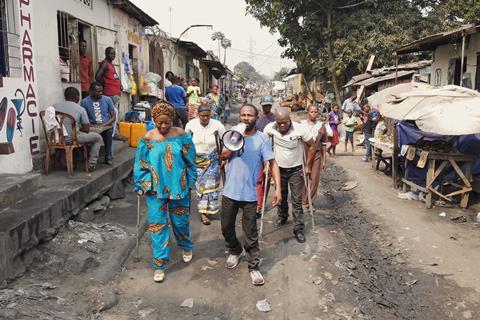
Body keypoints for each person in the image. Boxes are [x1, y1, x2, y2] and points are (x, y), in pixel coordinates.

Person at [133, 101, 197, 283]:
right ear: (153, 120)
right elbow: (141, 164)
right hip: (155, 190)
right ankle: (159, 265)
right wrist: (141, 184)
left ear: (172, 120)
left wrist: (191, 181)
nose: (163, 126)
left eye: (166, 122)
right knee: (157, 226)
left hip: (179, 187)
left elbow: (191, 161)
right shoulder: (147, 138)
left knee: (180, 222)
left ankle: (186, 246)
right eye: (159, 122)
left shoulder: (182, 135)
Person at [220, 104, 282, 286]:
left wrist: (277, 188)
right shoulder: (231, 134)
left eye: (250, 115)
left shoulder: (262, 139)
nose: (246, 118)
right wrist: (235, 138)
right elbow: (223, 156)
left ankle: (254, 266)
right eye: (243, 115)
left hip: (249, 194)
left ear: (256, 118)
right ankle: (234, 250)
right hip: (230, 191)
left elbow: (272, 162)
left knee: (250, 233)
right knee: (226, 227)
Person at [264, 107, 315, 243]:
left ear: (289, 120)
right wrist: (265, 165)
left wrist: (308, 165)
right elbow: (264, 146)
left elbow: (312, 146)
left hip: (295, 170)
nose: (281, 125)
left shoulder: (300, 129)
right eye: (279, 122)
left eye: (284, 122)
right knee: (282, 196)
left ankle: (298, 228)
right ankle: (283, 216)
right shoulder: (270, 128)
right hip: (278, 169)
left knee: (297, 200)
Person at [185, 104, 225, 225]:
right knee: (201, 188)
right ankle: (203, 213)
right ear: (198, 115)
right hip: (196, 160)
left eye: (207, 116)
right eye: (203, 116)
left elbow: (224, 141)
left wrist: (223, 157)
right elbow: (185, 142)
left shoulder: (218, 125)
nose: (205, 118)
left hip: (212, 160)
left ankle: (210, 209)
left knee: (211, 187)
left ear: (211, 114)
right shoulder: (191, 125)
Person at [53, 87, 103, 171]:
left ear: (65, 96)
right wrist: (78, 128)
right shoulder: (80, 109)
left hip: (56, 138)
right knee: (98, 137)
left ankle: (66, 163)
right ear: (77, 97)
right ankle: (91, 164)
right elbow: (86, 130)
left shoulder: (53, 107)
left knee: (73, 133)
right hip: (72, 139)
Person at [81, 82, 116, 165]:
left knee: (108, 132)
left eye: (101, 91)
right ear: (91, 91)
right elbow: (83, 118)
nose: (100, 93)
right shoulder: (84, 102)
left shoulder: (107, 100)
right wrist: (90, 125)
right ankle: (89, 159)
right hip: (92, 127)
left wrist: (102, 125)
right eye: (98, 91)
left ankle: (108, 156)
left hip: (105, 126)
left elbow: (113, 117)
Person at [301, 105, 328, 205]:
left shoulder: (321, 126)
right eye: (311, 112)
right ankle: (303, 199)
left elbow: (324, 144)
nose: (313, 114)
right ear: (308, 112)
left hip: (316, 154)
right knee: (303, 176)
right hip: (304, 153)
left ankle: (309, 200)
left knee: (314, 177)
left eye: (315, 112)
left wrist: (324, 160)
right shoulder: (302, 125)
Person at [255, 95, 275, 218]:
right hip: (257, 150)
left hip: (270, 151)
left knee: (267, 178)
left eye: (268, 105)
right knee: (258, 178)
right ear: (261, 105)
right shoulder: (257, 118)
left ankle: (262, 201)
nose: (266, 107)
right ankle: (258, 204)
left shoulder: (274, 118)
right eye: (264, 105)